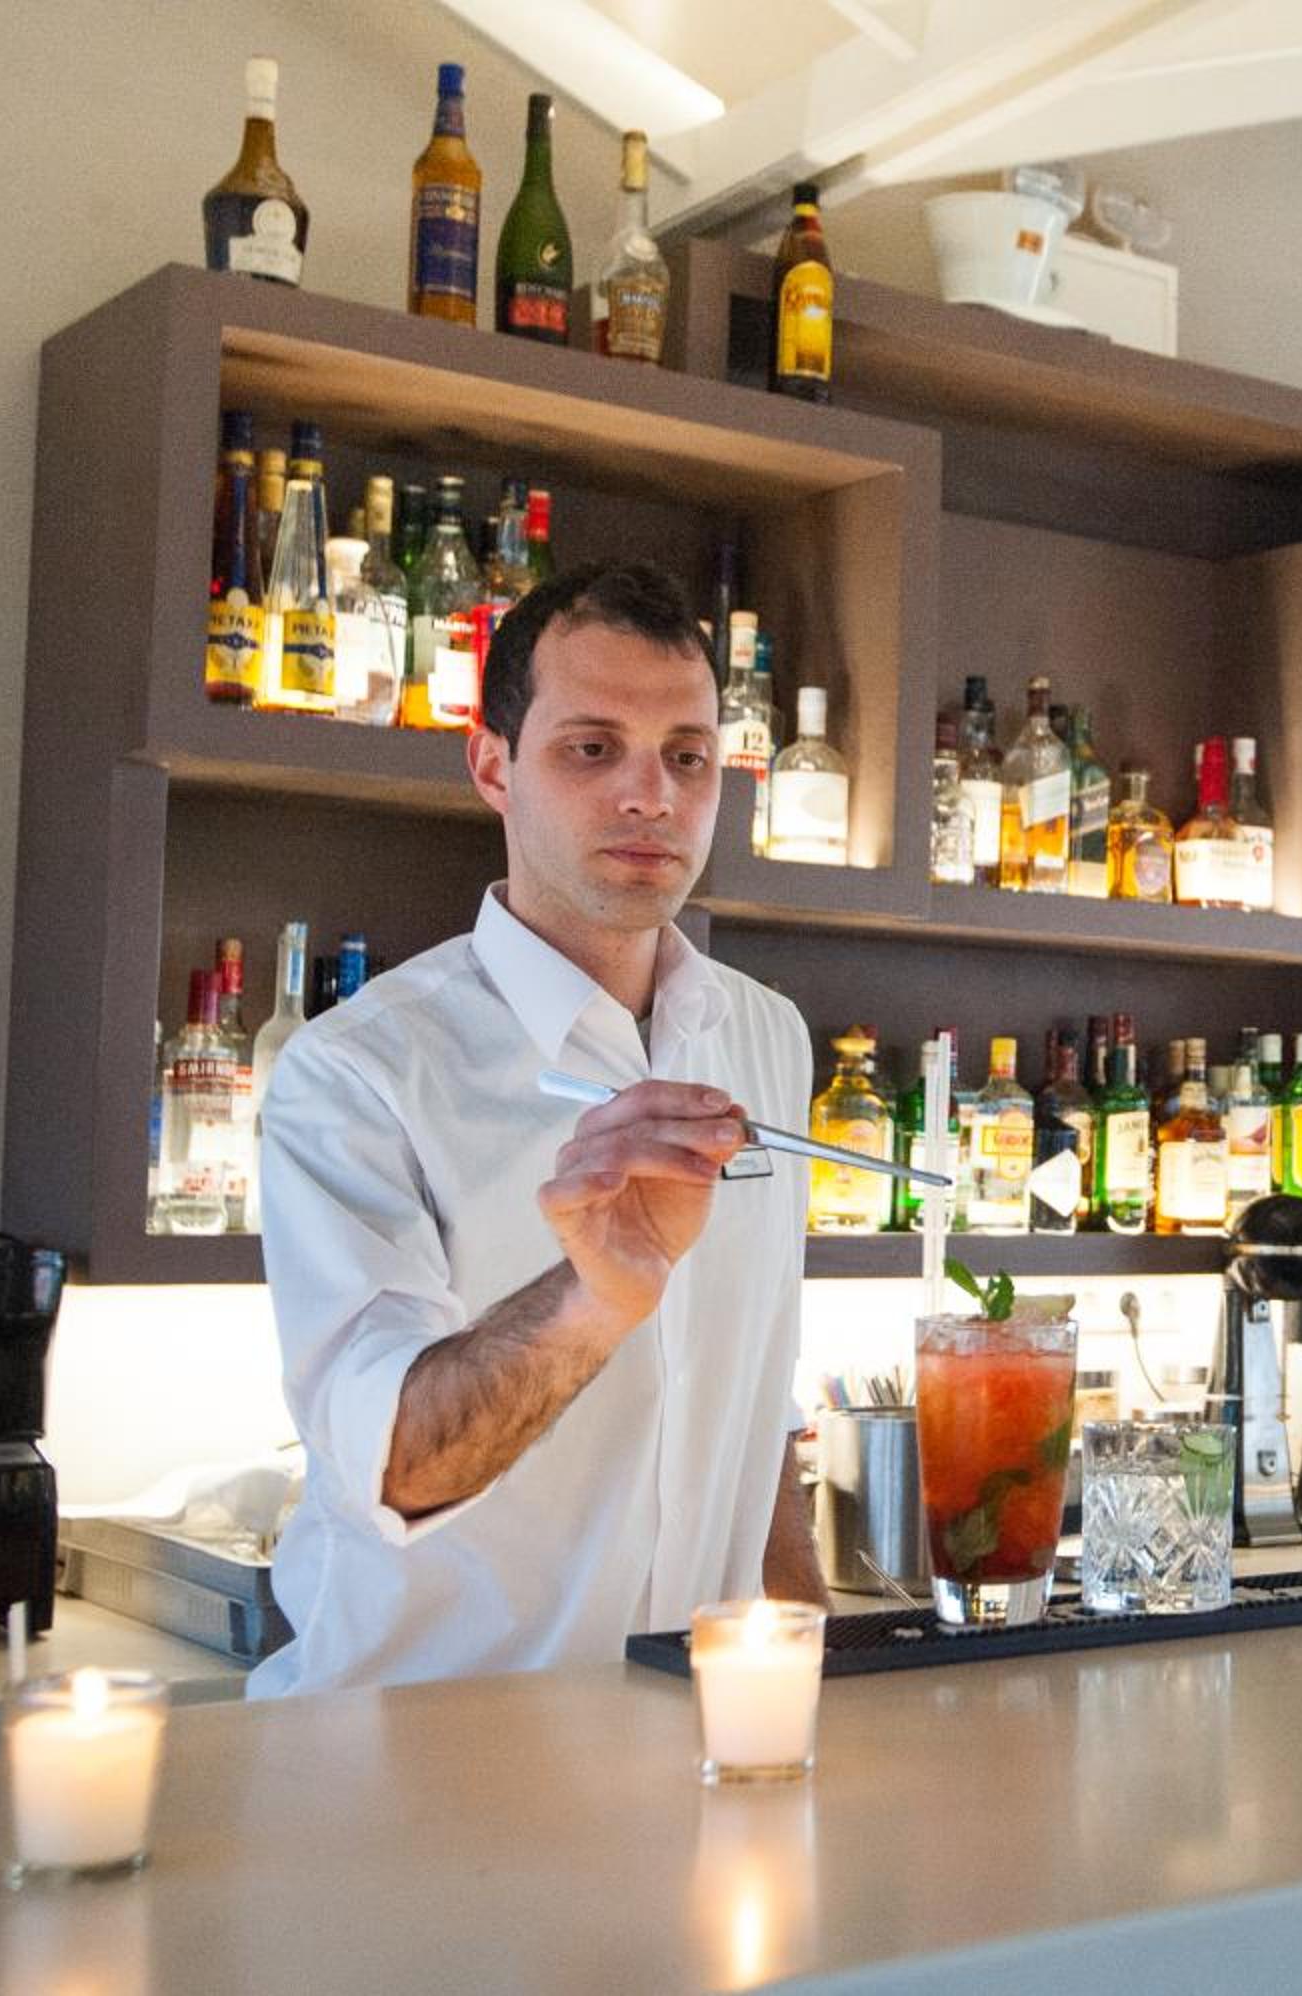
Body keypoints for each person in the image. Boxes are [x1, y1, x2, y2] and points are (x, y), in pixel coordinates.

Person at [251, 558, 824, 1698]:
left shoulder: (768, 1036)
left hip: (687, 1740)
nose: (651, 796)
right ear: (492, 767)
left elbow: (754, 1405)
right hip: (418, 1756)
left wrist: (817, 1667)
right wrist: (592, 1299)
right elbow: (393, 1466)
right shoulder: (357, 1073)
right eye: (592, 748)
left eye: (688, 757)